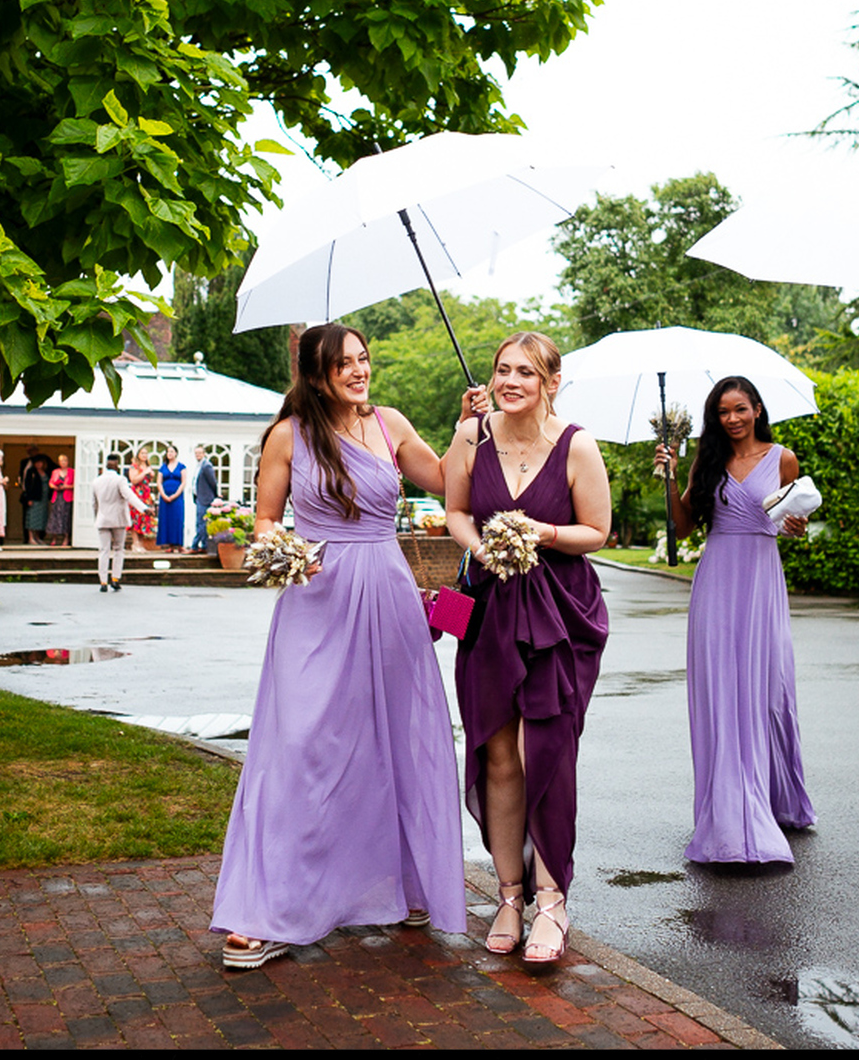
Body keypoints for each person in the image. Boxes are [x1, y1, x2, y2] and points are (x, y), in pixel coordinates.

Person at [212, 323, 487, 970]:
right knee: (302, 747)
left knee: (400, 736)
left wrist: (468, 424)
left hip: (388, 592)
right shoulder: (289, 435)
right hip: (317, 597)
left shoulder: (389, 423)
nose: (359, 372)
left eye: (364, 359)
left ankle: (404, 883)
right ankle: (268, 909)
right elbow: (263, 520)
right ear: (315, 375)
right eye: (344, 365)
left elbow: (446, 479)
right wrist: (282, 555)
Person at [446, 331, 610, 965]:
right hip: (490, 609)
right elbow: (455, 507)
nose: (509, 381)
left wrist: (539, 531)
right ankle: (508, 894)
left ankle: (552, 899)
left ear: (550, 383)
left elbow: (597, 531)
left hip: (558, 614)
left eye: (524, 373)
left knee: (542, 750)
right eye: (501, 370)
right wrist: (483, 546)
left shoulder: (577, 445)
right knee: (497, 755)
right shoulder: (471, 436)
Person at [655, 377, 814, 865]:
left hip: (762, 579)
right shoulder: (707, 462)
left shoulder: (782, 457)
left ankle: (774, 797)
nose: (732, 418)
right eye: (723, 411)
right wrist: (669, 477)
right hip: (717, 581)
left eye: (740, 409)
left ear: (758, 409)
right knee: (723, 692)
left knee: (768, 689)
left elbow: (791, 518)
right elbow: (682, 527)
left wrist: (796, 524)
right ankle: (728, 813)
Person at [91, 454, 148, 592]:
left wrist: (97, 517)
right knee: (118, 549)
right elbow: (129, 496)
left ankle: (103, 581)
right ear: (117, 465)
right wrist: (144, 508)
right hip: (118, 520)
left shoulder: (96, 481)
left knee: (104, 550)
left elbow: (94, 503)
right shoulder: (120, 480)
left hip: (103, 519)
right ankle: (115, 578)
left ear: (106, 465)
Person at [156, 445, 187, 551]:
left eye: (172, 451)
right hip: (165, 498)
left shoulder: (181, 466)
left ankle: (179, 544)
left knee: (177, 519)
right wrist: (164, 495)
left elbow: (183, 482)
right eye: (168, 452)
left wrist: (175, 495)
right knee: (166, 520)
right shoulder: (163, 467)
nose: (169, 453)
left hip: (177, 497)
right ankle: (170, 545)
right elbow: (159, 482)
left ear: (176, 453)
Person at [127, 447, 159, 550]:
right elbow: (134, 480)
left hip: (146, 495)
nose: (144, 455)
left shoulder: (148, 466)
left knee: (144, 520)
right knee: (135, 518)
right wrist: (144, 473)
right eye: (142, 453)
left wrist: (151, 475)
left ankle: (141, 543)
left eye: (146, 453)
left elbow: (148, 481)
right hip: (136, 494)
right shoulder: (134, 466)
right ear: (138, 455)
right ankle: (135, 543)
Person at [190, 445, 219, 554]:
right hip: (199, 498)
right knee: (201, 523)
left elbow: (213, 482)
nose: (197, 455)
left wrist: (215, 495)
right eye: (196, 453)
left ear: (204, 454)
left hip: (205, 498)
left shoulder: (206, 466)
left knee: (201, 523)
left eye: (199, 453)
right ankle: (203, 545)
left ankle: (195, 546)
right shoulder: (199, 466)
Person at [45, 454, 74, 545]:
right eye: (61, 461)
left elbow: (76, 484)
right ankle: (54, 538)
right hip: (57, 496)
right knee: (55, 517)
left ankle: (66, 538)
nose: (63, 463)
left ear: (68, 462)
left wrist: (66, 486)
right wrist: (54, 486)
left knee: (66, 517)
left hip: (67, 497)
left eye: (65, 461)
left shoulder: (72, 472)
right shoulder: (55, 472)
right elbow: (50, 482)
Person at [22, 455, 50, 544]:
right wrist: (29, 498)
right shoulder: (31, 472)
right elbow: (27, 485)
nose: (39, 464)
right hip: (34, 498)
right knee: (31, 518)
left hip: (44, 499)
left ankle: (38, 537)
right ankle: (31, 537)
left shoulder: (45, 472)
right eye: (37, 463)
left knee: (41, 518)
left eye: (40, 462)